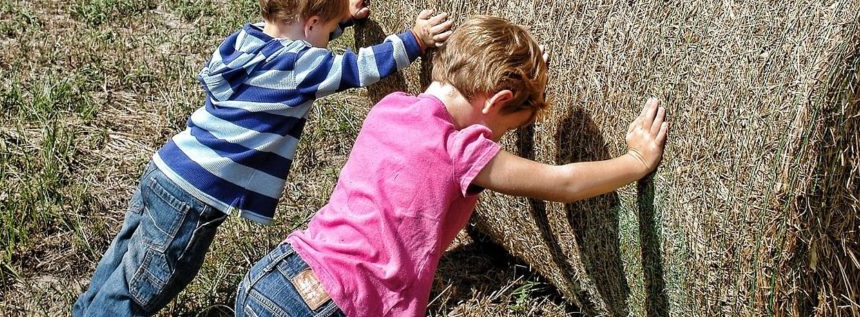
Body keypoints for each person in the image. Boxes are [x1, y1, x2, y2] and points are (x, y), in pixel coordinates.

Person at [234, 15, 669, 317]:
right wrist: (634, 160)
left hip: (275, 274)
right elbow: (565, 182)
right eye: (511, 123)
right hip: (338, 304)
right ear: (498, 101)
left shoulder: (392, 106)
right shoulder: (462, 152)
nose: (497, 140)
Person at [72, 0, 453, 315]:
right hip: (193, 197)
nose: (329, 42)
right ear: (310, 24)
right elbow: (358, 69)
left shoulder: (248, 38)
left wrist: (341, 20)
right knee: (144, 285)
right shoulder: (300, 65)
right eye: (328, 31)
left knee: (120, 264)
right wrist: (415, 39)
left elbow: (307, 34)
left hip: (167, 169)